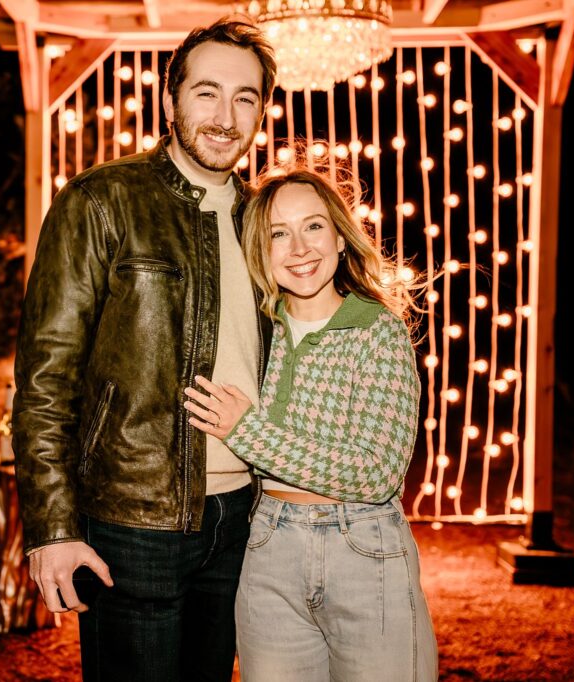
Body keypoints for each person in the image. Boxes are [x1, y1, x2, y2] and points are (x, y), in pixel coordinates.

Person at [11, 17, 277, 682]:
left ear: (263, 111)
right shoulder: (102, 201)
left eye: (245, 98)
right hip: (135, 518)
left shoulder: (266, 219)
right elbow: (45, 376)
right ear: (170, 101)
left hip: (244, 514)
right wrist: (51, 526)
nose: (225, 116)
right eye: (207, 92)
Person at [183, 160, 439, 680]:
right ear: (260, 249)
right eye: (279, 233)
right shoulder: (256, 335)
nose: (299, 249)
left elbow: (377, 473)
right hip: (267, 547)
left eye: (314, 226)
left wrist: (246, 431)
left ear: (341, 239)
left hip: (365, 549)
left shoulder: (376, 331)